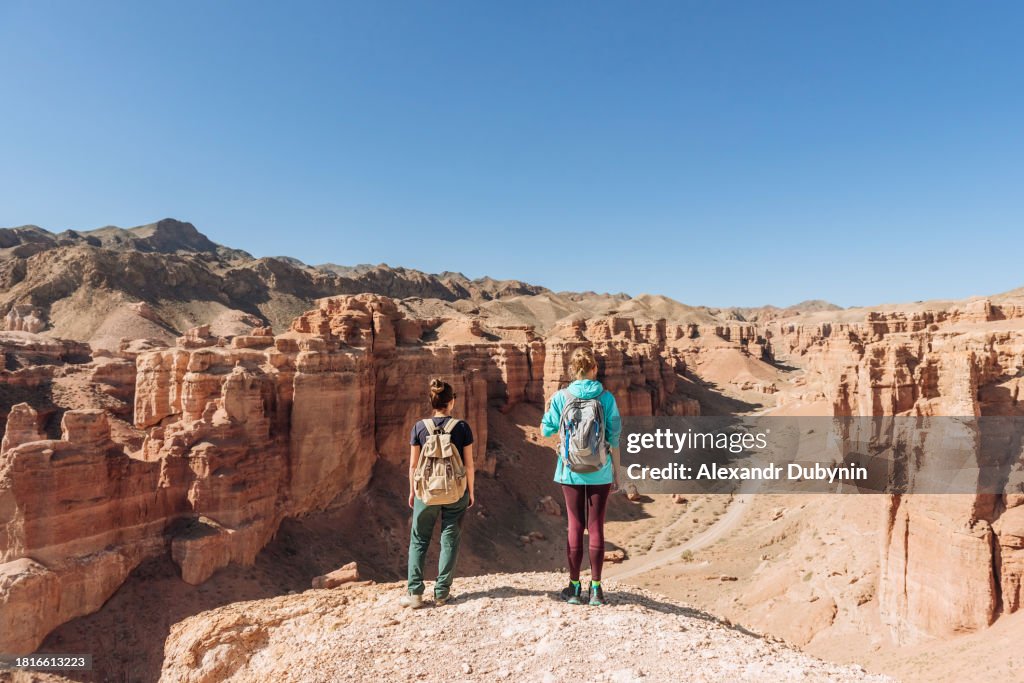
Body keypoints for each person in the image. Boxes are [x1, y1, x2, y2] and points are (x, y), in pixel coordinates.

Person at [541, 346, 621, 606]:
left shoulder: (561, 396)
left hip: (569, 470)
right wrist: (616, 472)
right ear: (594, 368)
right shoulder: (606, 397)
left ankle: (574, 589)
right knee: (596, 527)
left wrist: (551, 413)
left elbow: (545, 430)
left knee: (576, 527)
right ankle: (596, 590)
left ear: (573, 371)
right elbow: (614, 436)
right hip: (600, 470)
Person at [400, 378, 476, 609]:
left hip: (426, 492)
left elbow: (413, 466)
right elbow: (469, 465)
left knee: (419, 539)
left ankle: (415, 594)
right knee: (449, 539)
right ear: (451, 402)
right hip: (455, 492)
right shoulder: (462, 427)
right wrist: (470, 492)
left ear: (432, 401)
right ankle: (442, 593)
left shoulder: (419, 427)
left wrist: (413, 491)